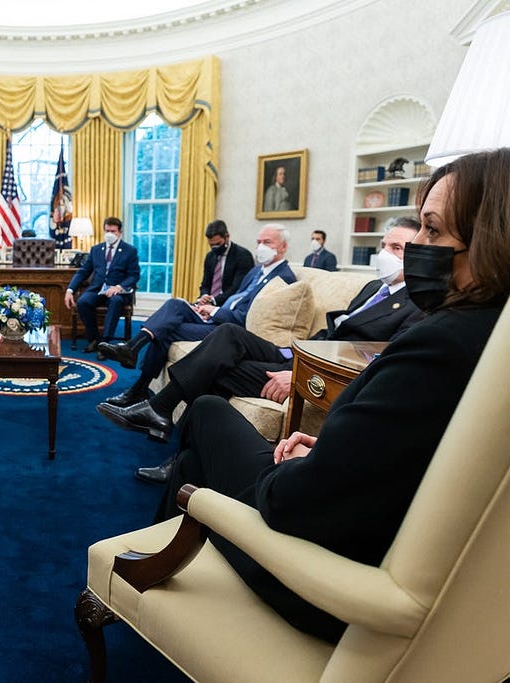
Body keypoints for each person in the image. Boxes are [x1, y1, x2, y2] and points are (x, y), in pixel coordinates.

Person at [150, 148, 510, 644]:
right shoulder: (489, 338)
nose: (417, 247)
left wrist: (293, 466)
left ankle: (148, 571)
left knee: (208, 416)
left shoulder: (440, 345)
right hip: (368, 528)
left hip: (318, 581)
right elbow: (418, 456)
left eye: (431, 230)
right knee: (195, 461)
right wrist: (333, 451)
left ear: (490, 240)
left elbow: (292, 504)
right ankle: (157, 569)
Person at [102, 218, 423, 482]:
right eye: (384, 246)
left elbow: (375, 363)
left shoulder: (416, 305)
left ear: (420, 254)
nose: (386, 253)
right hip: (297, 351)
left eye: (396, 248)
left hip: (312, 369)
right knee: (228, 335)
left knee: (217, 366)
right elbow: (334, 331)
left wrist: (297, 374)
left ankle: (172, 445)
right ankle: (160, 411)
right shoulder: (372, 288)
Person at [99, 225, 295, 407]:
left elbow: (248, 317)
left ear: (284, 247)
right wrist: (208, 303)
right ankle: (132, 348)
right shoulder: (256, 271)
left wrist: (216, 311)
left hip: (228, 329)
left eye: (267, 242)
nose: (261, 247)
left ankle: (138, 386)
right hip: (216, 315)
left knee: (166, 330)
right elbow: (235, 296)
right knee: (176, 303)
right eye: (259, 242)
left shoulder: (283, 278)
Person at [63, 217, 140, 353]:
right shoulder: (96, 249)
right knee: (83, 302)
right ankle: (94, 339)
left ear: (120, 232)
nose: (109, 234)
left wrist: (119, 287)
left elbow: (134, 275)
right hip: (97, 289)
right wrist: (70, 290)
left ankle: (105, 343)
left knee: (115, 301)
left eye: (113, 231)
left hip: (118, 291)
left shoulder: (129, 251)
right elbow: (83, 271)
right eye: (107, 231)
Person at [196, 219, 254, 306]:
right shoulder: (210, 256)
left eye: (218, 244)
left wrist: (214, 301)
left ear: (227, 237)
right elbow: (205, 284)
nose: (215, 247)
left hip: (230, 304)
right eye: (211, 245)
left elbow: (237, 288)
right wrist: (204, 296)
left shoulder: (243, 256)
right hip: (208, 304)